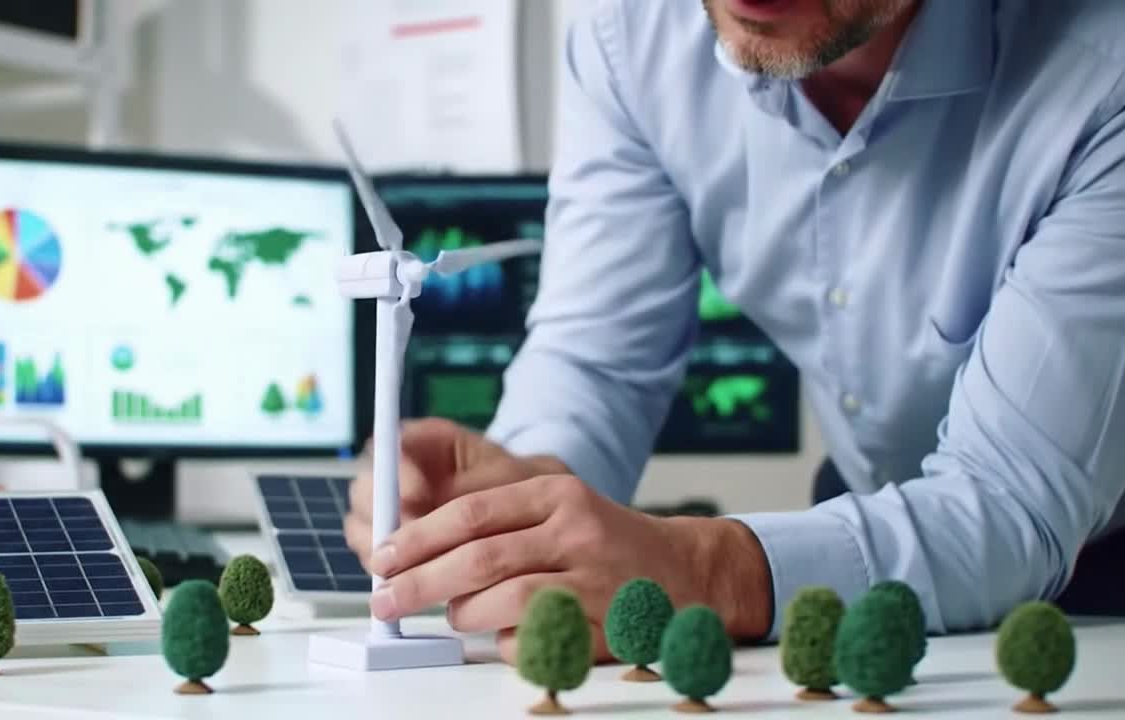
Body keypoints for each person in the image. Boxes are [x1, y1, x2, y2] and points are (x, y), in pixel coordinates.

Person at [343, 0, 1125, 663]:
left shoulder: (1103, 74)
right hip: (859, 535)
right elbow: (598, 361)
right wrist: (526, 492)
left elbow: (1012, 501)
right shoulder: (632, 42)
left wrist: (708, 571)